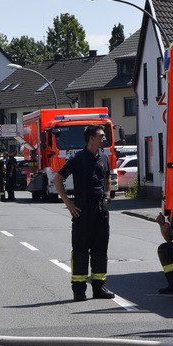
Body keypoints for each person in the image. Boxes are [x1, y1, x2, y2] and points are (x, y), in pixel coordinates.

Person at [54, 125, 115, 302]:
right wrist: (68, 203)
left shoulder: (104, 157)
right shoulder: (78, 158)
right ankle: (79, 290)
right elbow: (58, 179)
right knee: (81, 250)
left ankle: (99, 288)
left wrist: (107, 194)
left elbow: (107, 177)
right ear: (91, 138)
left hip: (100, 210)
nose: (104, 138)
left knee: (100, 250)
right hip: (83, 210)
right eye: (101, 135)